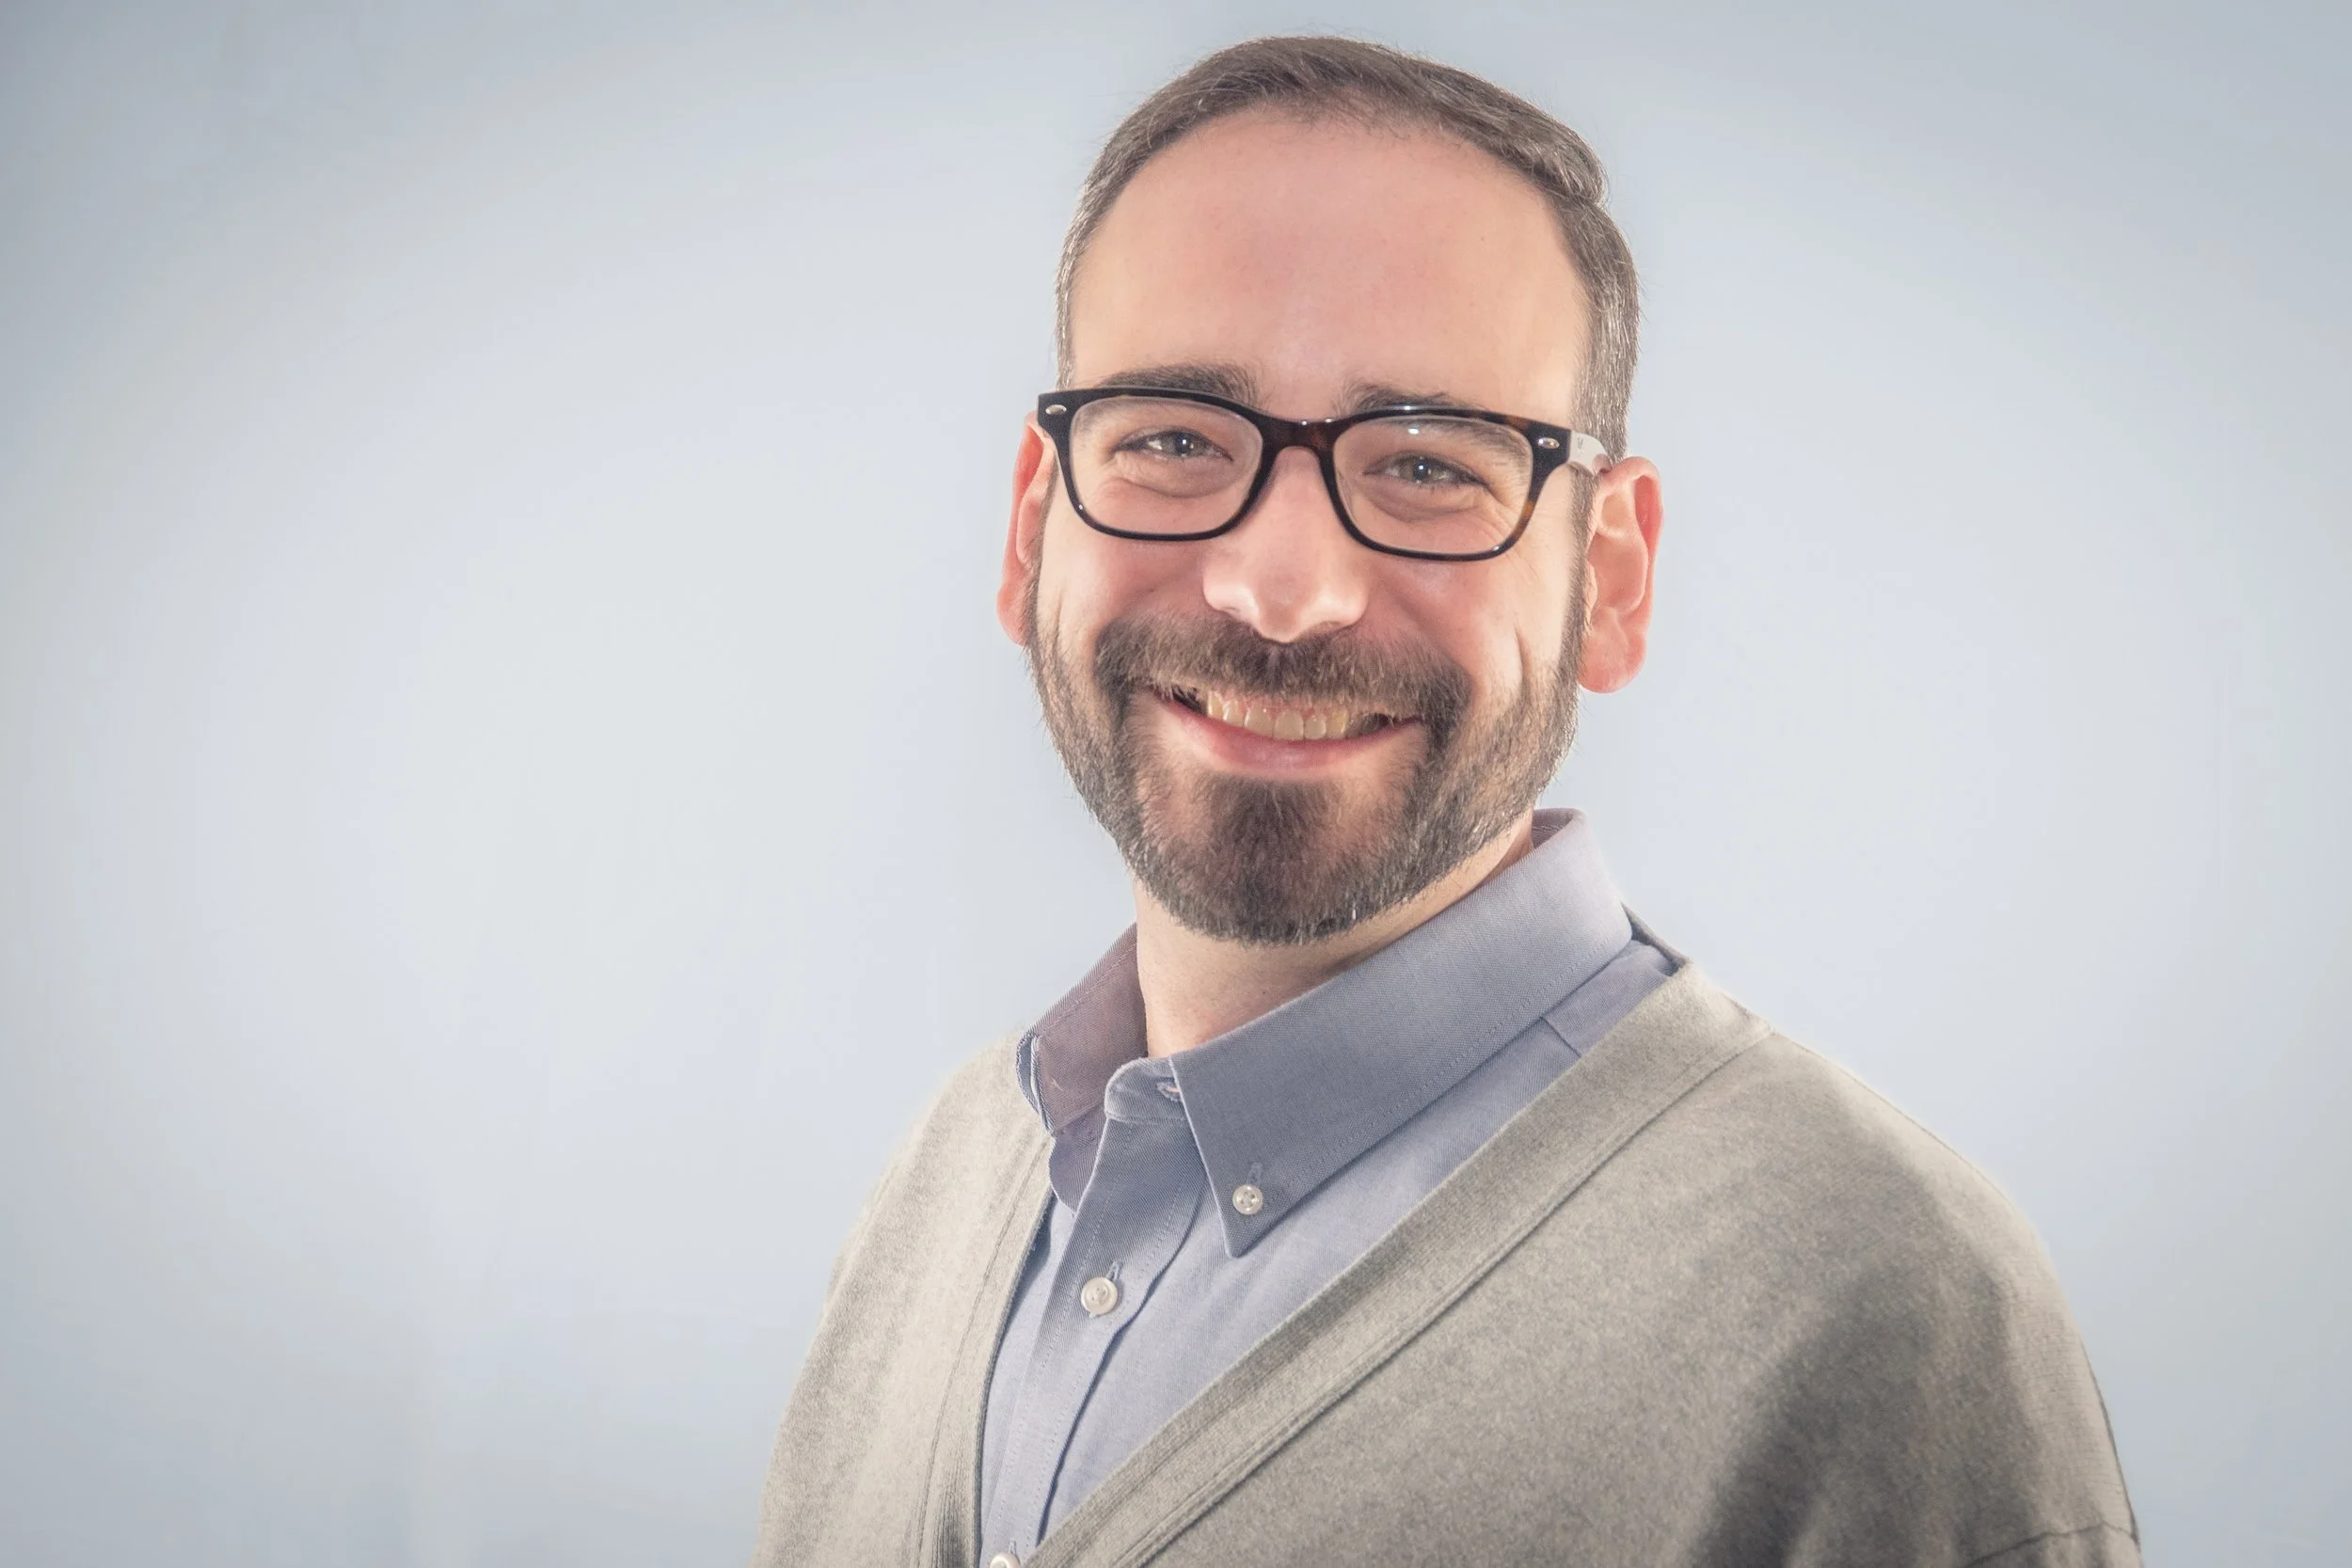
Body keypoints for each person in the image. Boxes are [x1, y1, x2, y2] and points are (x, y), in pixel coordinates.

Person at [751, 35, 2137, 1568]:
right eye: (1171, 439)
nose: (1281, 591)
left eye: (1425, 465)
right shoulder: (945, 1185)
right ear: (1034, 525)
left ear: (1609, 576)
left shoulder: (1877, 1306)